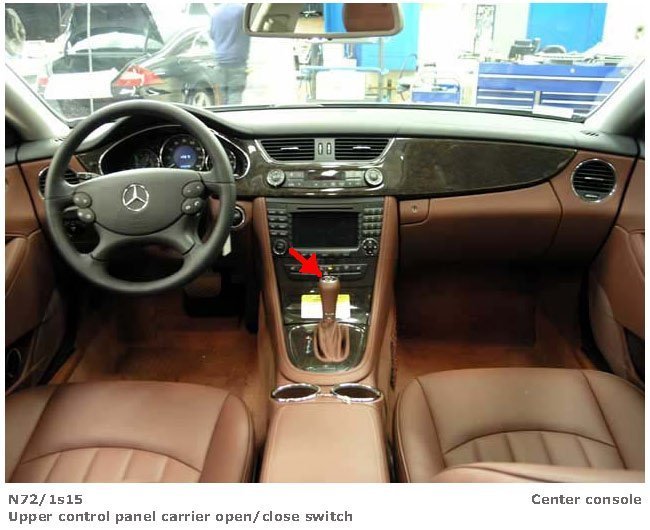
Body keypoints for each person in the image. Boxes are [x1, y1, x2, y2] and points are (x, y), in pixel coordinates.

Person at [209, 3, 250, 105]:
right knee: (235, 94)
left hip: (220, 61)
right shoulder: (242, 11)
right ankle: (232, 114)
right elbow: (251, 29)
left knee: (221, 97)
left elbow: (212, 35)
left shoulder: (216, 12)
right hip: (237, 61)